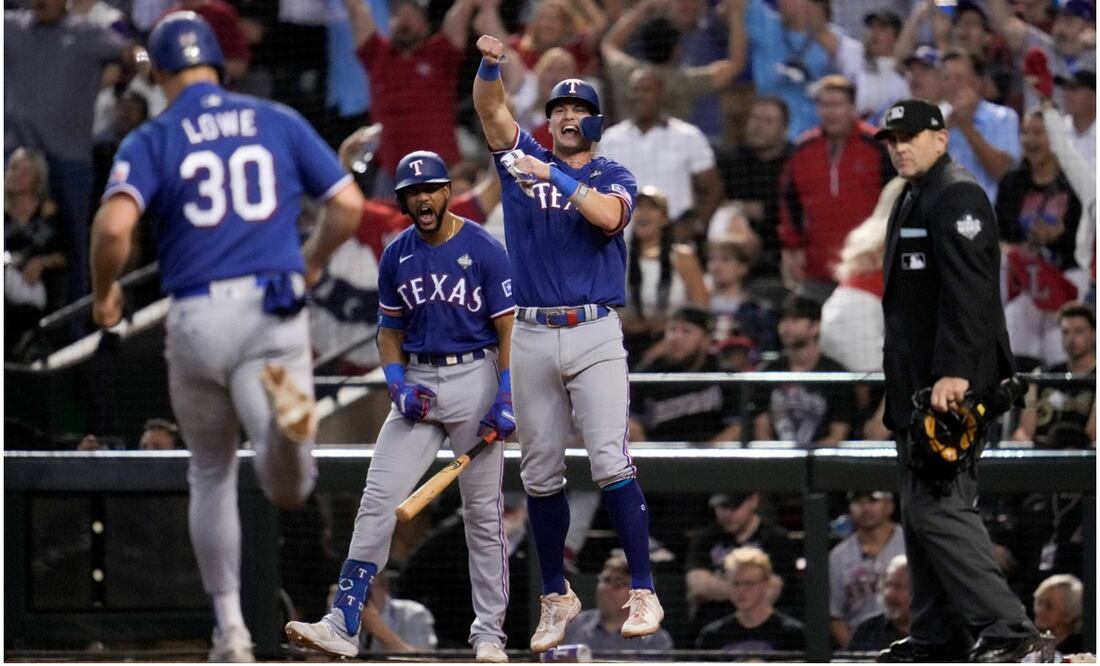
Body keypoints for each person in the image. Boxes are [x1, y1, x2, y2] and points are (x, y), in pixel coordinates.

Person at [88, 12, 365, 662]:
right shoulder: (276, 119)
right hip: (272, 310)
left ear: (157, 74)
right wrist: (315, 255)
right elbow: (348, 205)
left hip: (196, 318)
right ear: (218, 64)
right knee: (290, 485)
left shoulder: (154, 135)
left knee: (210, 471)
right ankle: (290, 434)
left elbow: (110, 231)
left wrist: (105, 294)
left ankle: (231, 632)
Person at [473, 36, 665, 653]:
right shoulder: (521, 155)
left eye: (578, 110)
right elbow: (490, 109)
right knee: (539, 474)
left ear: (596, 123)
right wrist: (490, 66)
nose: (566, 116)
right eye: (558, 109)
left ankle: (642, 588)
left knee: (610, 459)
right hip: (530, 330)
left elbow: (608, 217)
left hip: (594, 331)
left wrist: (549, 171)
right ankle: (556, 595)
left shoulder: (613, 172)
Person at [285, 150, 515, 664]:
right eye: (412, 192)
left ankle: (490, 634)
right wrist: (396, 385)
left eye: (430, 189)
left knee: (482, 514)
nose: (422, 199)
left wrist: (506, 392)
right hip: (419, 379)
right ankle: (343, 621)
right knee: (376, 502)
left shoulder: (483, 246)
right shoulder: (397, 254)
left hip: (476, 374)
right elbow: (388, 332)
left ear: (446, 191)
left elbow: (507, 328)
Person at [874, 98, 1043, 663]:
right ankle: (935, 638)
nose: (899, 146)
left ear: (941, 139)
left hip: (949, 386)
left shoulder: (958, 191)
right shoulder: (915, 193)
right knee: (921, 512)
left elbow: (970, 294)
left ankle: (1010, 633)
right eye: (892, 138)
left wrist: (954, 374)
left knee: (937, 508)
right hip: (916, 387)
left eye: (910, 136)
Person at [778, 75, 894, 297]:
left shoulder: (877, 146)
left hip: (867, 268)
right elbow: (788, 204)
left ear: (852, 107)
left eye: (837, 105)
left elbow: (895, 199)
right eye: (824, 105)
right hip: (815, 270)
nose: (830, 112)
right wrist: (791, 248)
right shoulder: (803, 149)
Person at [341, 0, 477, 185]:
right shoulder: (376, 55)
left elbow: (462, 10)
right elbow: (357, 11)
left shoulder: (442, 54)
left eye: (411, 16)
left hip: (440, 171)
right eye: (398, 16)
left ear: (425, 25)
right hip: (392, 175)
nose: (404, 20)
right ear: (388, 24)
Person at [996, 109, 1084, 369]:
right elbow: (999, 234)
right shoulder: (1012, 183)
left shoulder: (1076, 182)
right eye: (1025, 132)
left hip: (1066, 280)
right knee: (1018, 359)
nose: (1030, 140)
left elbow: (1086, 238)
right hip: (1024, 284)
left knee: (1061, 357)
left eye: (1038, 133)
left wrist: (1060, 236)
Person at [598, 67, 723, 245]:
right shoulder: (610, 140)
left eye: (646, 90)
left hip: (676, 242)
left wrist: (696, 226)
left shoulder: (688, 136)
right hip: (623, 243)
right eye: (635, 90)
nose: (639, 96)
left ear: (663, 95)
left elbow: (712, 189)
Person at [684, 492, 799, 637]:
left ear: (753, 500)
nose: (727, 514)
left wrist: (715, 587)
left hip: (766, 633)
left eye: (734, 507)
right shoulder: (705, 538)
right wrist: (751, 588)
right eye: (721, 507)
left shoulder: (775, 539)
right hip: (712, 632)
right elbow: (698, 586)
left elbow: (772, 591)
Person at [749, 295, 856, 447]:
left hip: (821, 465)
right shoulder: (767, 371)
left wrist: (806, 462)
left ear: (815, 326)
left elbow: (838, 434)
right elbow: (761, 431)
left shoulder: (836, 375)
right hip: (776, 464)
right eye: (784, 320)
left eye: (795, 320)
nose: (786, 326)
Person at [628, 307, 741, 443]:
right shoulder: (647, 376)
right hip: (660, 458)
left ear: (706, 340)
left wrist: (704, 459)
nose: (676, 337)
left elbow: (736, 428)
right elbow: (632, 425)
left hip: (713, 458)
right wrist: (657, 460)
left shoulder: (724, 375)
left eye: (686, 331)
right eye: (672, 330)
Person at [714, 96, 792, 278]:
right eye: (755, 119)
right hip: (733, 253)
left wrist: (763, 210)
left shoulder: (796, 162)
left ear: (784, 129)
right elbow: (718, 204)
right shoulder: (729, 160)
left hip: (781, 252)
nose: (759, 127)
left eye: (768, 121)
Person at [940, 50, 1021, 203]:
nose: (952, 85)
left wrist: (967, 127)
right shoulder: (937, 121)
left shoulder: (1003, 117)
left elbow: (1000, 171)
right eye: (946, 78)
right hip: (942, 214)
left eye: (959, 78)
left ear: (978, 82)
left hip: (986, 215)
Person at [828, 491, 906, 648]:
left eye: (872, 500)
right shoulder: (839, 555)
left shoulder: (911, 544)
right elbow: (835, 616)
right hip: (862, 642)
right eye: (858, 502)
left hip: (908, 639)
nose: (865, 508)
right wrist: (856, 654)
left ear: (889, 505)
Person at [1012, 303, 1096, 448]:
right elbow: (1024, 431)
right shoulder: (1042, 376)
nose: (1071, 339)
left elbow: (1094, 436)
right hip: (1042, 457)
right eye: (1066, 332)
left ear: (1094, 334)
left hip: (1084, 458)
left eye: (1079, 331)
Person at [695, 546, 805, 652]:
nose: (741, 591)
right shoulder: (712, 636)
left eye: (749, 584)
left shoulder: (793, 635)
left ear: (766, 584)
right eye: (735, 584)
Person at [562, 554, 674, 651]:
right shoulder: (572, 626)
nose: (607, 588)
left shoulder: (655, 640)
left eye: (618, 583)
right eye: (606, 580)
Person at [360, 571, 439, 655]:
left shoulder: (411, 612)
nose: (362, 597)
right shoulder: (349, 618)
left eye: (368, 589)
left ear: (384, 588)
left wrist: (378, 629)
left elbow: (425, 659)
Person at [847, 555, 911, 653]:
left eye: (898, 587)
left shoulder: (934, 633)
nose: (889, 594)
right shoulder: (867, 630)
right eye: (887, 585)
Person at [1031, 574, 1085, 655]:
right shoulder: (1026, 645)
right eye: (1039, 602)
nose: (1039, 610)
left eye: (1049, 606)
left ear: (1069, 614)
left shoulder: (1080, 653)